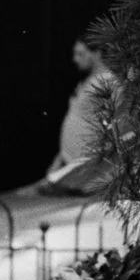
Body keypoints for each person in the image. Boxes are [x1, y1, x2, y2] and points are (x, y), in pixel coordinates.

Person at [45, 39, 116, 194]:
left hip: (88, 172)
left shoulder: (108, 81)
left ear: (96, 53)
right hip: (71, 164)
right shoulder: (88, 81)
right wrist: (60, 159)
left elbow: (114, 126)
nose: (75, 59)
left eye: (80, 54)